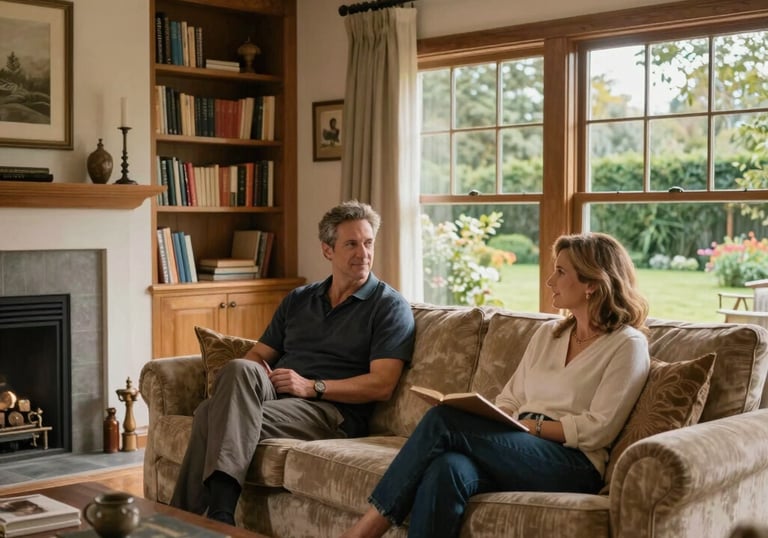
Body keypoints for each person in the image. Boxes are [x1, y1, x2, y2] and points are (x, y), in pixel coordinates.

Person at [342, 232, 651, 538]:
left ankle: (364, 531)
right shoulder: (549, 334)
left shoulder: (626, 345)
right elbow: (511, 398)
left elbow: (599, 428)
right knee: (446, 468)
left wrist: (529, 428)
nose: (550, 281)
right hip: (520, 444)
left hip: (573, 463)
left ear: (591, 283)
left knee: (443, 420)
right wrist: (496, 418)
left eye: (560, 272)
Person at [170, 200, 415, 525]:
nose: (363, 253)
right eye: (352, 244)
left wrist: (312, 387)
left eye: (368, 243)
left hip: (331, 411)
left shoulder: (388, 306)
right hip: (279, 395)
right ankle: (207, 521)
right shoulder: (300, 298)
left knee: (208, 413)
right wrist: (261, 377)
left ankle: (198, 518)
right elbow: (258, 355)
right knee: (240, 367)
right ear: (327, 250)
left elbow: (382, 384)